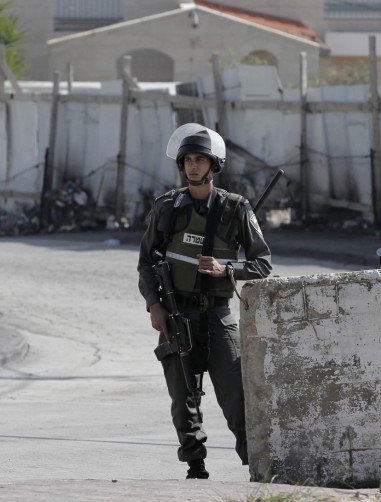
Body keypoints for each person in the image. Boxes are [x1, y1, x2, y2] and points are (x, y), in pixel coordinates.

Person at [137, 123, 272, 479]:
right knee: (184, 401)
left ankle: (258, 469)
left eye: (201, 160)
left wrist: (226, 268)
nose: (193, 166)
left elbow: (262, 264)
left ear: (215, 165)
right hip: (176, 315)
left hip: (219, 317)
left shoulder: (237, 208)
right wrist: (155, 306)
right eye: (188, 160)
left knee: (238, 399)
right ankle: (195, 467)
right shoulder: (168, 207)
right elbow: (146, 262)